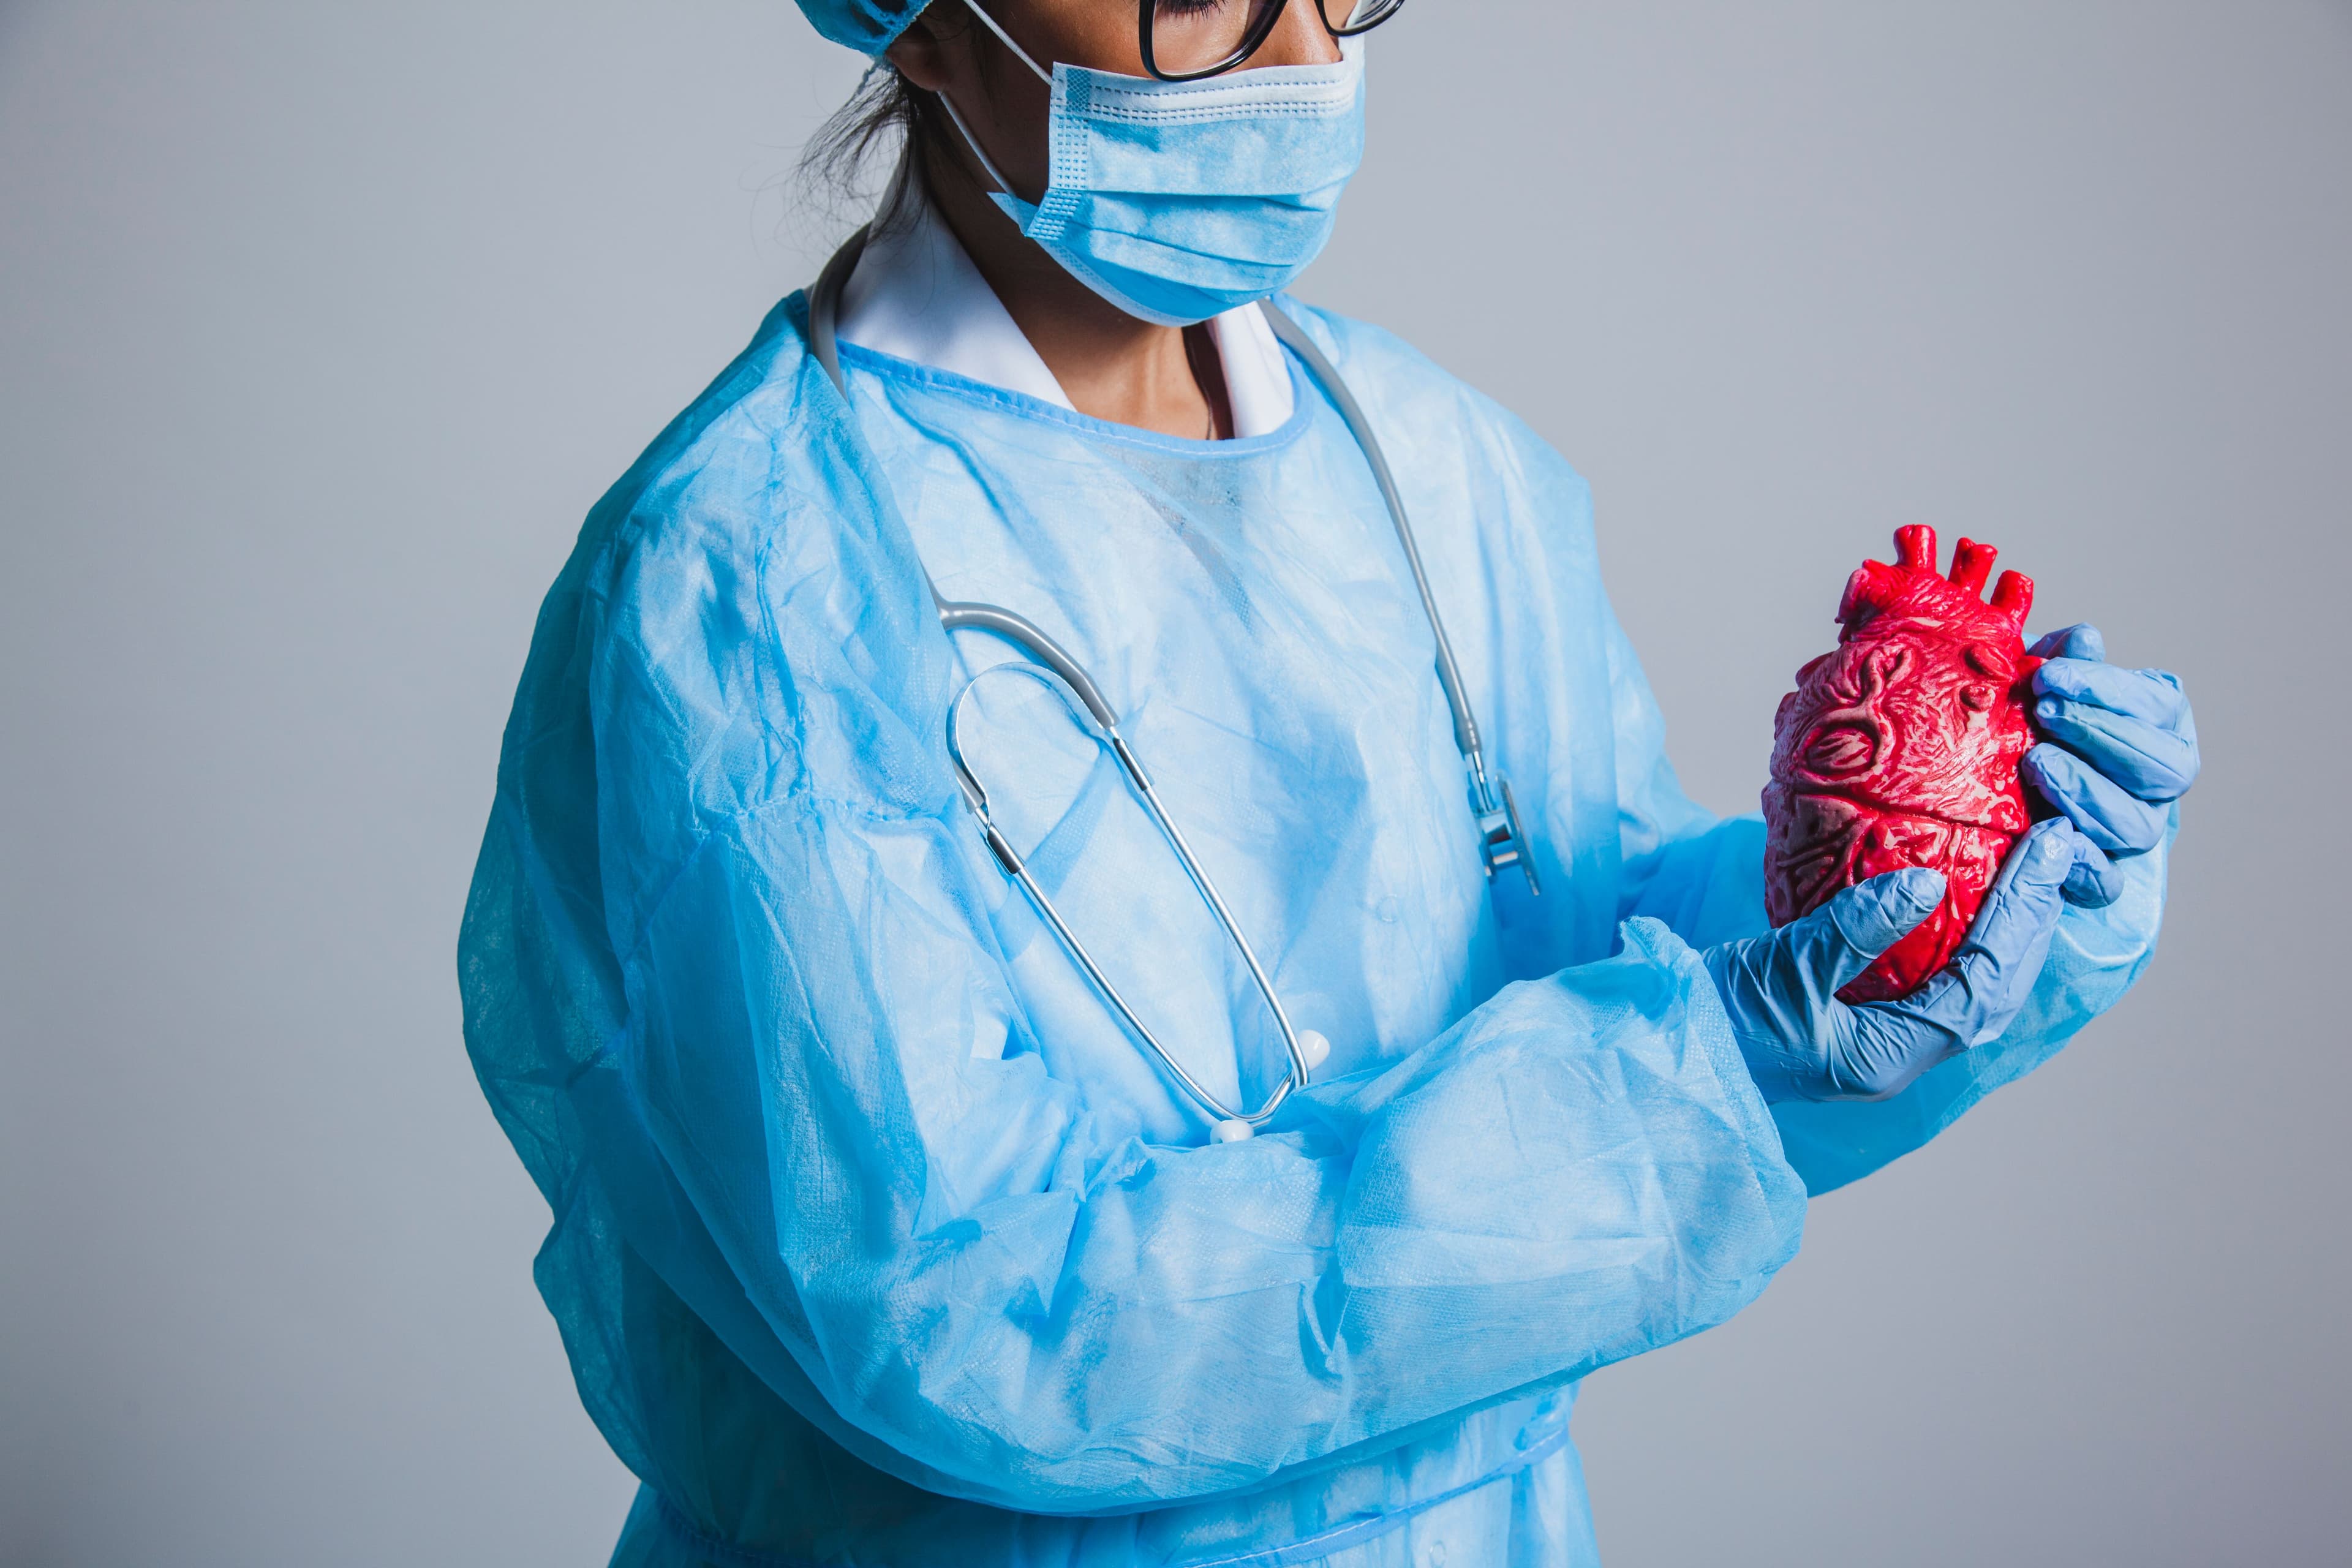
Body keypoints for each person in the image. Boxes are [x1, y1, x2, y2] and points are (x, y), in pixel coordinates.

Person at [458, 0, 2200, 1562]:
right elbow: (961, 1314)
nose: (1302, 65)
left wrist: (1954, 895)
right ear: (918, 21)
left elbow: (1583, 919)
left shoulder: (1433, 466)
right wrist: (1693, 1077)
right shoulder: (747, 594)